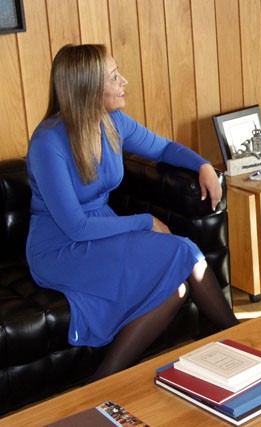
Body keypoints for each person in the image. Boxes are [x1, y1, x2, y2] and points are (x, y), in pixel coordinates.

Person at [26, 44, 239, 382]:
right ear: (88, 88)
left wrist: (202, 165)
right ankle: (241, 342)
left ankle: (102, 381)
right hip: (61, 246)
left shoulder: (112, 122)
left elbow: (164, 148)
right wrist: (146, 221)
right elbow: (76, 227)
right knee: (185, 252)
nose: (123, 81)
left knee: (178, 288)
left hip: (104, 230)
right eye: (114, 77)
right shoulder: (47, 143)